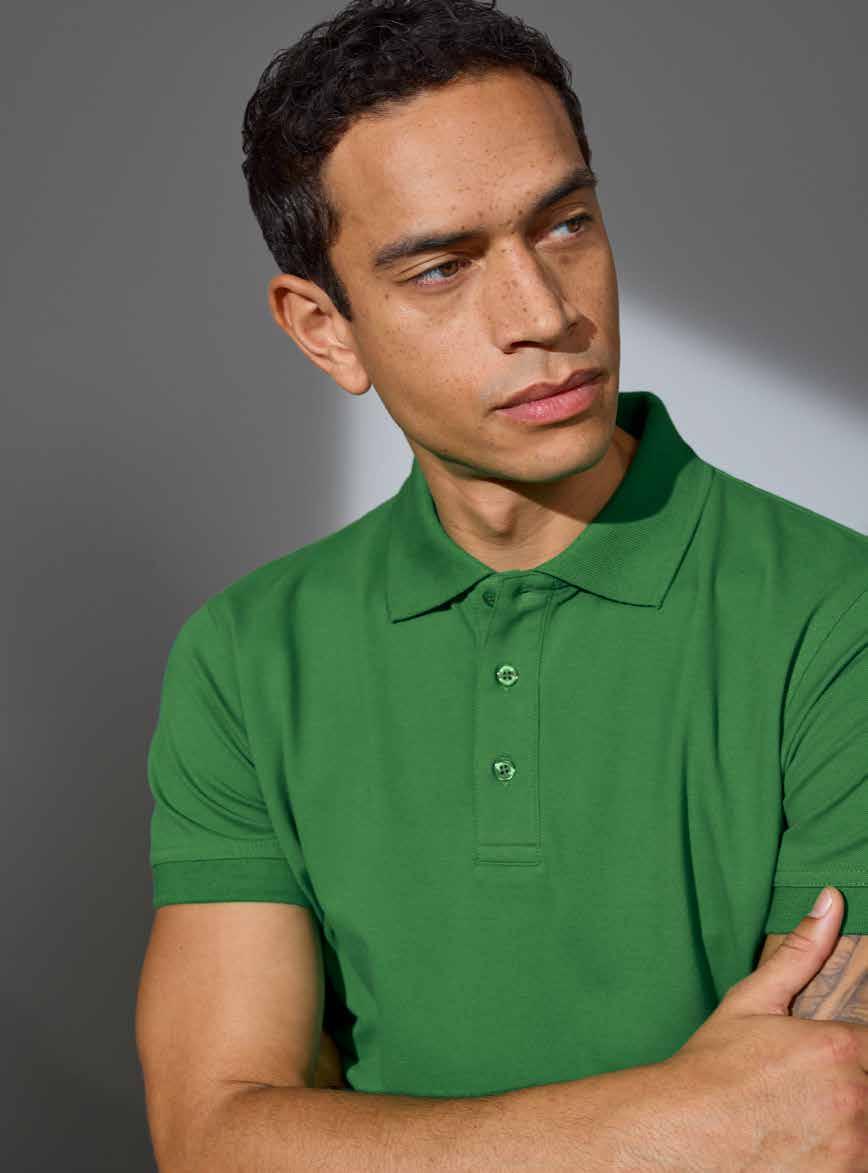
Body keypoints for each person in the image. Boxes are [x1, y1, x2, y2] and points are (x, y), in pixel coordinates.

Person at [135, 1, 868, 1168]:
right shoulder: (245, 656)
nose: (546, 315)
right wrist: (674, 1122)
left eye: (565, 223)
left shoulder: (839, 616)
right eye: (440, 268)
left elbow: (822, 1120)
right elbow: (212, 1137)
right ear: (326, 332)